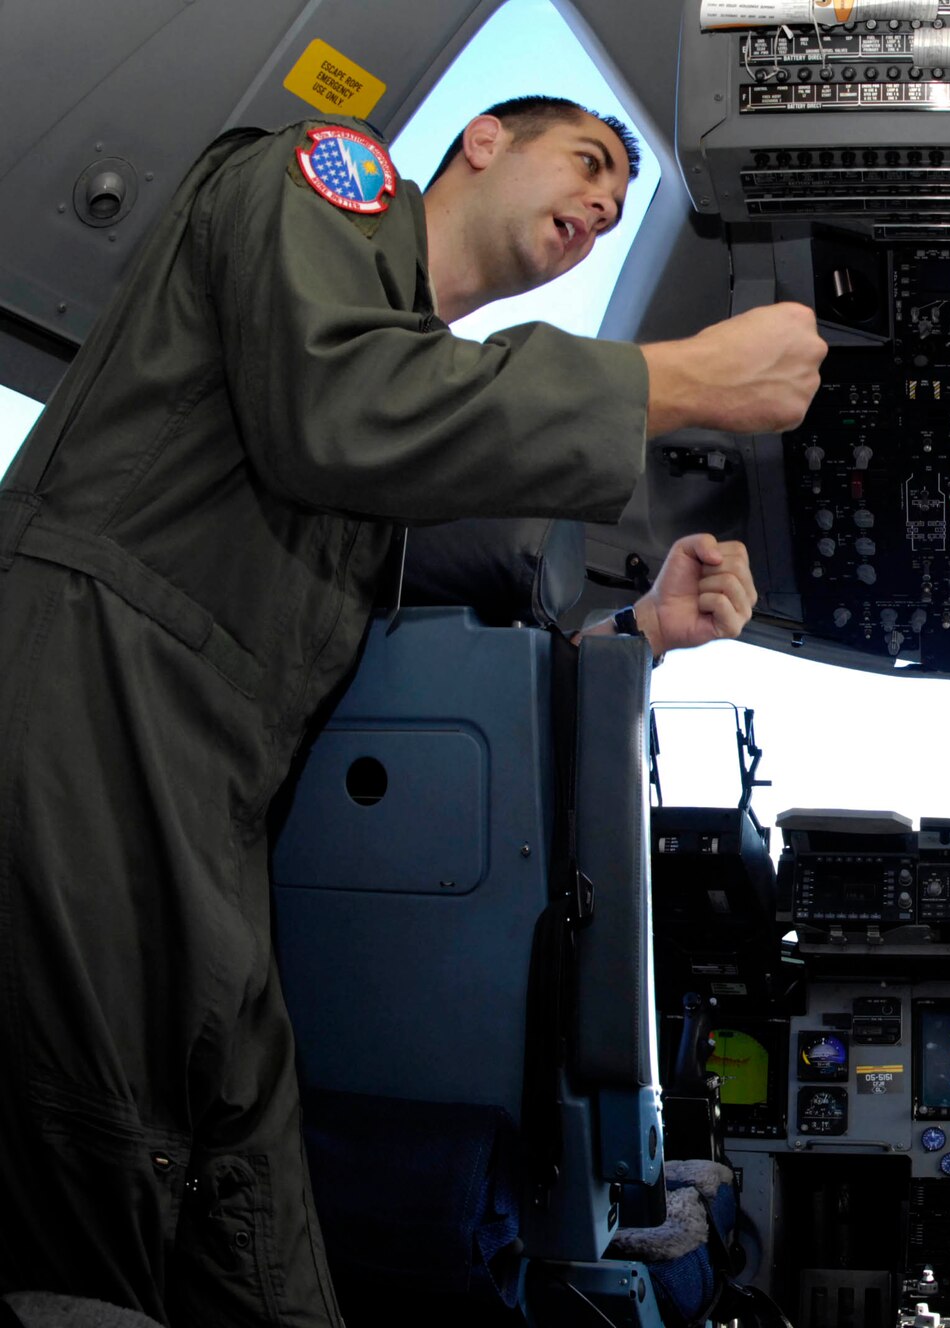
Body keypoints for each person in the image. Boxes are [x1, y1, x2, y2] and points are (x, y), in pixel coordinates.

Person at [0, 96, 826, 1326]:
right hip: (81, 718)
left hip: (209, 798)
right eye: (589, 164)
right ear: (483, 139)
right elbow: (340, 403)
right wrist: (678, 377)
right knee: (96, 1178)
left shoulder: (386, 454)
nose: (603, 208)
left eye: (616, 207)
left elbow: (445, 617)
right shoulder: (317, 182)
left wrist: (640, 631)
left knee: (249, 1220)